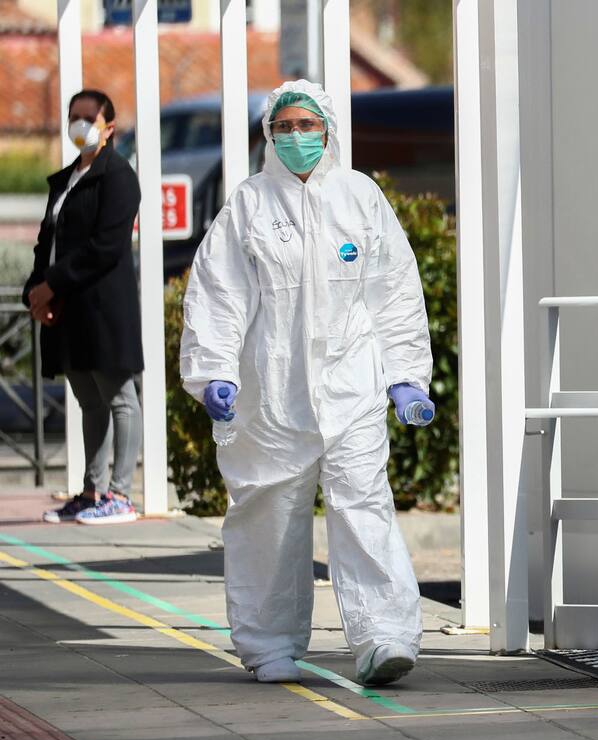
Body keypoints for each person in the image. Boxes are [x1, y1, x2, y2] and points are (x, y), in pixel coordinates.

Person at [180, 80, 434, 686]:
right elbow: (218, 295)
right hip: (271, 393)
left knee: (364, 507)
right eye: (285, 127)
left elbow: (395, 294)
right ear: (269, 135)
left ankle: (385, 637)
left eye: (307, 125)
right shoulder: (249, 205)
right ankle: (269, 644)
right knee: (269, 516)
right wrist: (214, 372)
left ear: (329, 130)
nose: (297, 136)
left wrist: (406, 376)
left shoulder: (360, 197)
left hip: (352, 387)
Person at [25, 89, 143, 526]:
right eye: (73, 116)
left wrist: (52, 284)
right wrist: (37, 290)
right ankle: (93, 490)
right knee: (89, 400)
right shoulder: (65, 180)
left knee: (120, 398)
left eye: (89, 117)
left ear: (109, 127)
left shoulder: (118, 176)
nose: (80, 124)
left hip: (104, 308)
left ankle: (121, 494)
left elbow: (105, 246)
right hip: (69, 309)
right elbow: (47, 242)